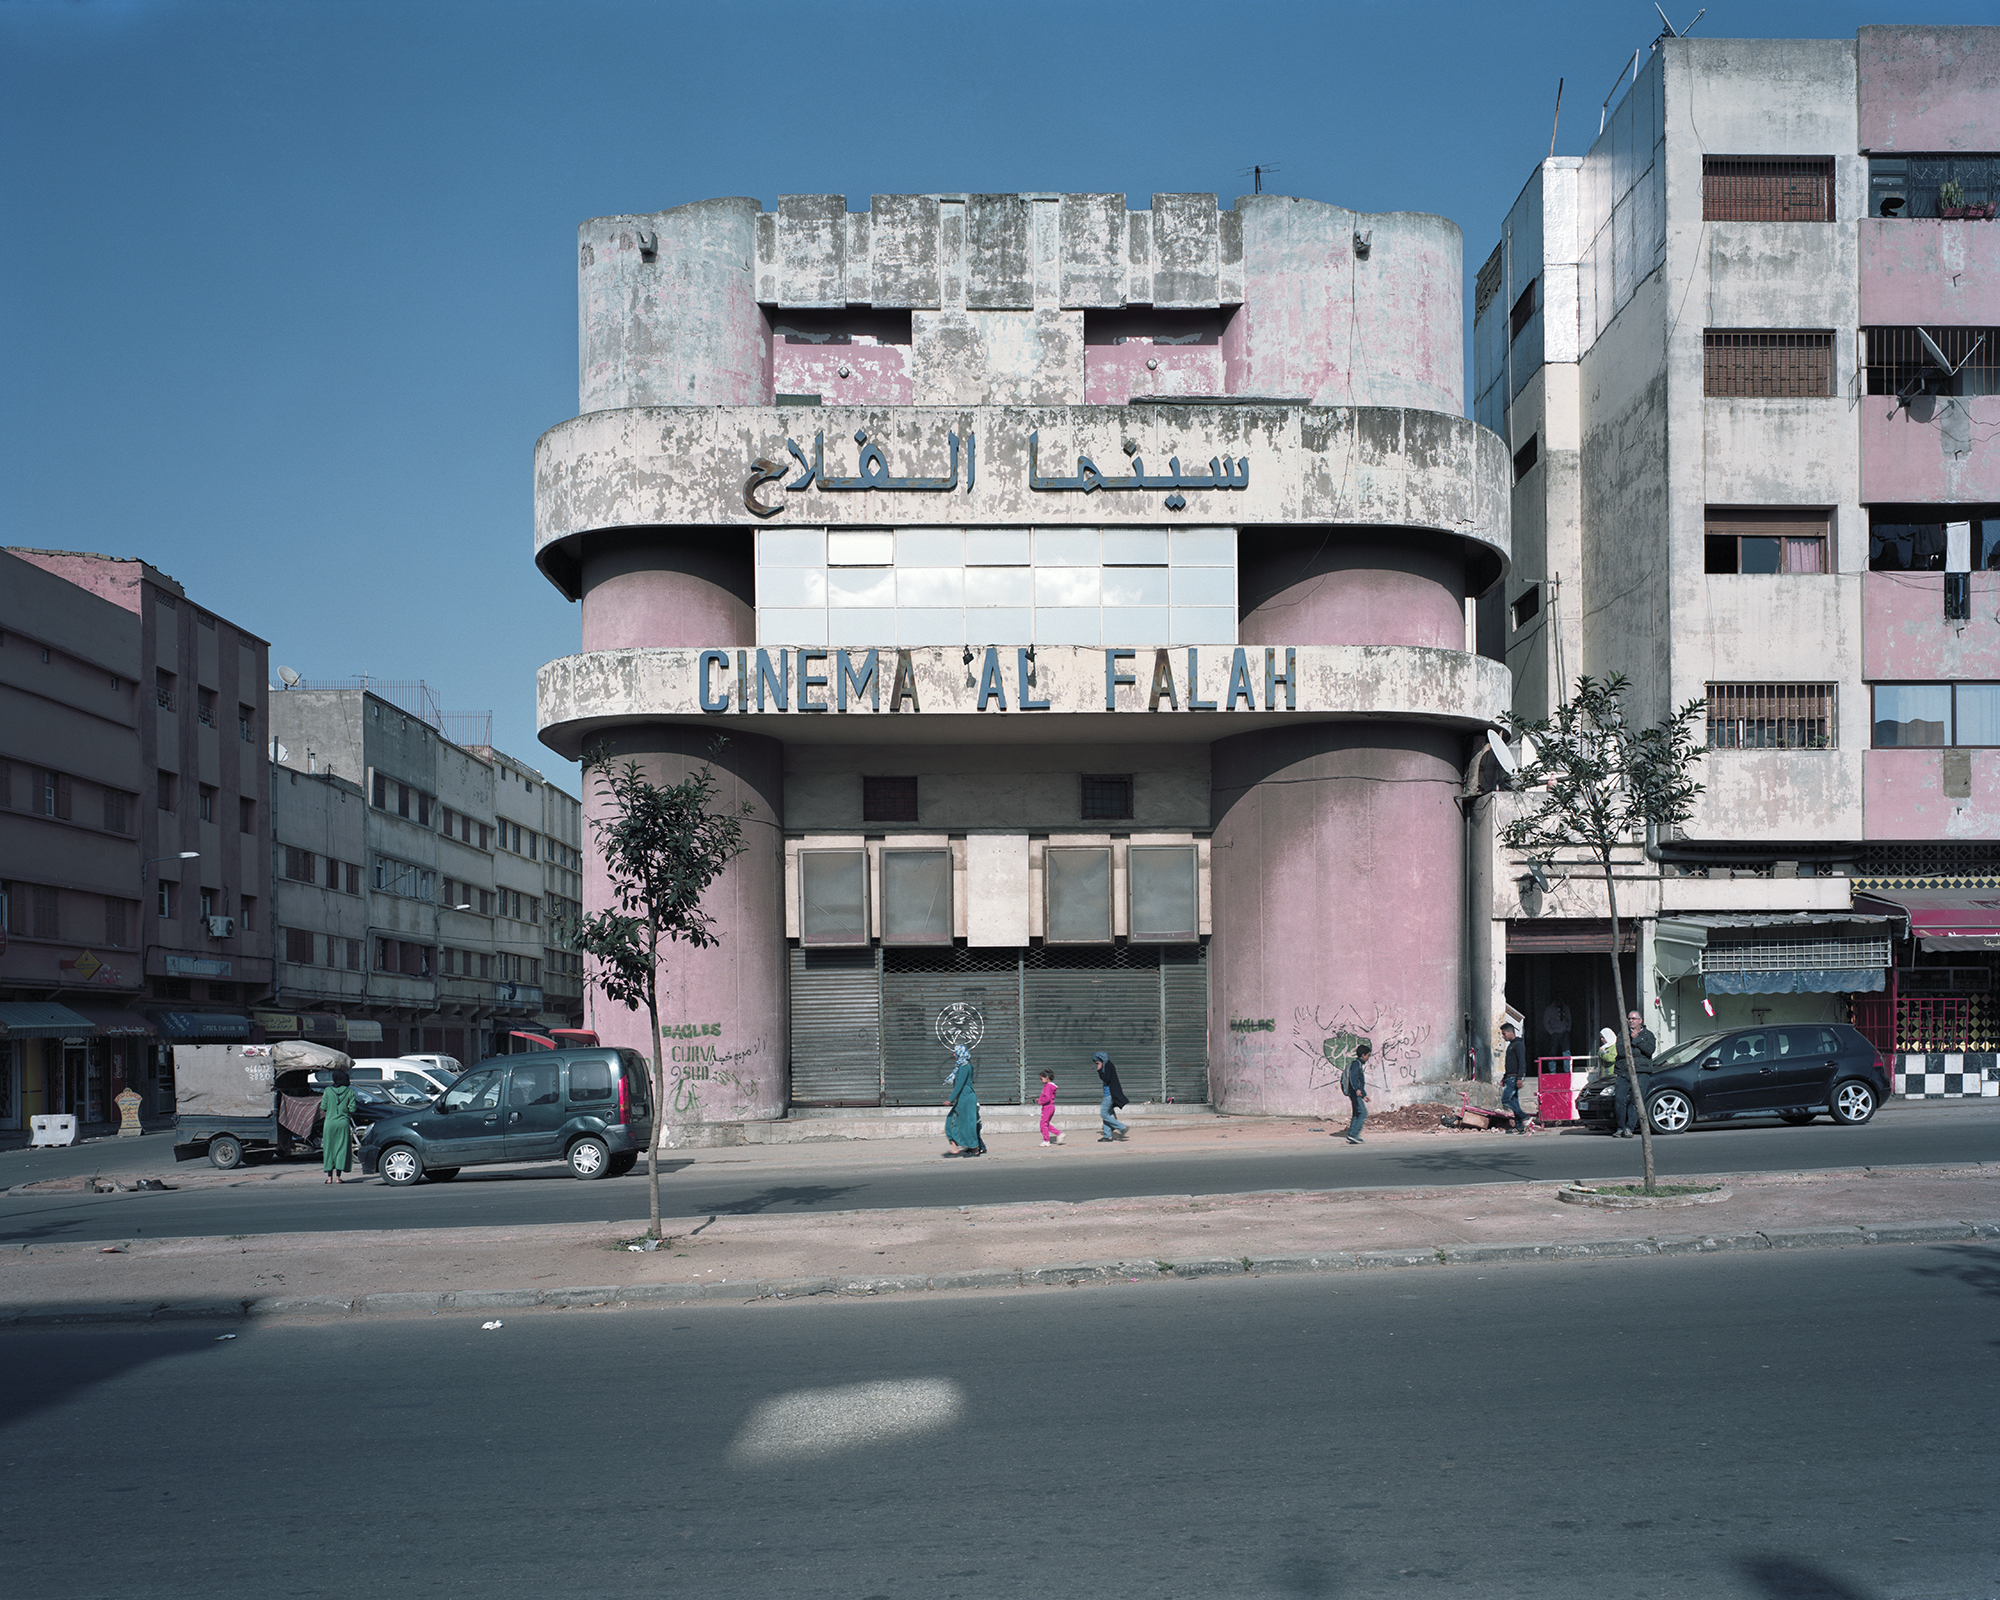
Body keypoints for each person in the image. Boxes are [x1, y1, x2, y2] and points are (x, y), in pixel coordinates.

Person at [1616, 1008, 1656, 1139]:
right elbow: (1622, 1052)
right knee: (1619, 1099)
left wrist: (1636, 1040)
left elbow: (1649, 1050)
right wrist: (1637, 1049)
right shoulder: (1623, 1034)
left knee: (1636, 1100)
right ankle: (1620, 1127)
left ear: (1640, 1021)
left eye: (1633, 1018)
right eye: (1629, 1018)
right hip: (1624, 1071)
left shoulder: (1648, 1035)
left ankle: (1629, 1128)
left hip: (1641, 1071)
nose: (1631, 1021)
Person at [943, 1044, 984, 1157]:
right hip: (963, 1098)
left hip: (966, 1099)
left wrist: (950, 1099)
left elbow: (960, 1085)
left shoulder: (964, 1067)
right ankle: (956, 1145)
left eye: (955, 1052)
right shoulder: (963, 1065)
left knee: (966, 1124)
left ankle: (974, 1148)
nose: (954, 1055)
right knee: (954, 1121)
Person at [320, 1067, 357, 1184]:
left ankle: (329, 1177)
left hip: (329, 1123)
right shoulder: (349, 1091)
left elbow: (323, 1107)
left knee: (329, 1148)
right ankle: (338, 1178)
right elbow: (353, 1108)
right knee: (341, 1148)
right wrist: (346, 1109)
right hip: (343, 1123)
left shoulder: (328, 1090)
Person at [1499, 1022, 1531, 1134]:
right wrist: (1504, 1078)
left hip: (1514, 1078)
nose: (1503, 1036)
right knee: (1514, 1102)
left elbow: (1522, 1062)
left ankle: (1524, 1117)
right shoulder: (1511, 1045)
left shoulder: (1518, 1045)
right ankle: (1519, 1126)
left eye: (1504, 1034)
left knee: (1506, 1099)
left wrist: (1519, 1077)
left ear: (1510, 1032)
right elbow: (1510, 1065)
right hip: (1510, 1077)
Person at [1340, 1040, 1371, 1144]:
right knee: (1363, 1113)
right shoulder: (1356, 1064)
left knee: (1356, 1114)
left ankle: (1351, 1135)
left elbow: (1358, 1081)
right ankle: (1354, 1134)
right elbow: (1353, 1078)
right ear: (1363, 1055)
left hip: (1356, 1093)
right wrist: (1357, 1090)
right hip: (1354, 1093)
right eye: (1368, 1056)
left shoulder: (1357, 1064)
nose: (1368, 1058)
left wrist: (1364, 1095)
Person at [1094, 1051, 1129, 1142]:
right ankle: (1107, 1136)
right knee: (1107, 1114)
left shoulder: (1108, 1066)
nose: (1097, 1065)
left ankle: (1122, 1127)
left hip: (1109, 1094)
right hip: (1108, 1093)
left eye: (1098, 1063)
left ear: (1101, 1060)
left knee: (1104, 1113)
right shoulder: (1108, 1065)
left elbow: (1106, 1078)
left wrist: (1099, 1071)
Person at [1037, 1069, 1065, 1147]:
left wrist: (1041, 1102)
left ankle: (1046, 1141)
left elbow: (1047, 1098)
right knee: (1046, 1124)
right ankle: (1059, 1134)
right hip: (1050, 1107)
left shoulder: (1047, 1086)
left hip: (1047, 1107)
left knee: (1043, 1124)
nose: (1041, 1081)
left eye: (1041, 1079)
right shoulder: (1051, 1086)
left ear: (1046, 1077)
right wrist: (1040, 1099)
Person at [1542, 996, 1573, 1064]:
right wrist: (1551, 1032)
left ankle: (1567, 1071)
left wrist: (1568, 1030)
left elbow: (1569, 1019)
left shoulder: (1566, 1008)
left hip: (1565, 1033)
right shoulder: (1550, 1008)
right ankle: (1552, 1072)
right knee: (1552, 1052)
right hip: (1554, 1033)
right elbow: (1546, 1021)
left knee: (1566, 1052)